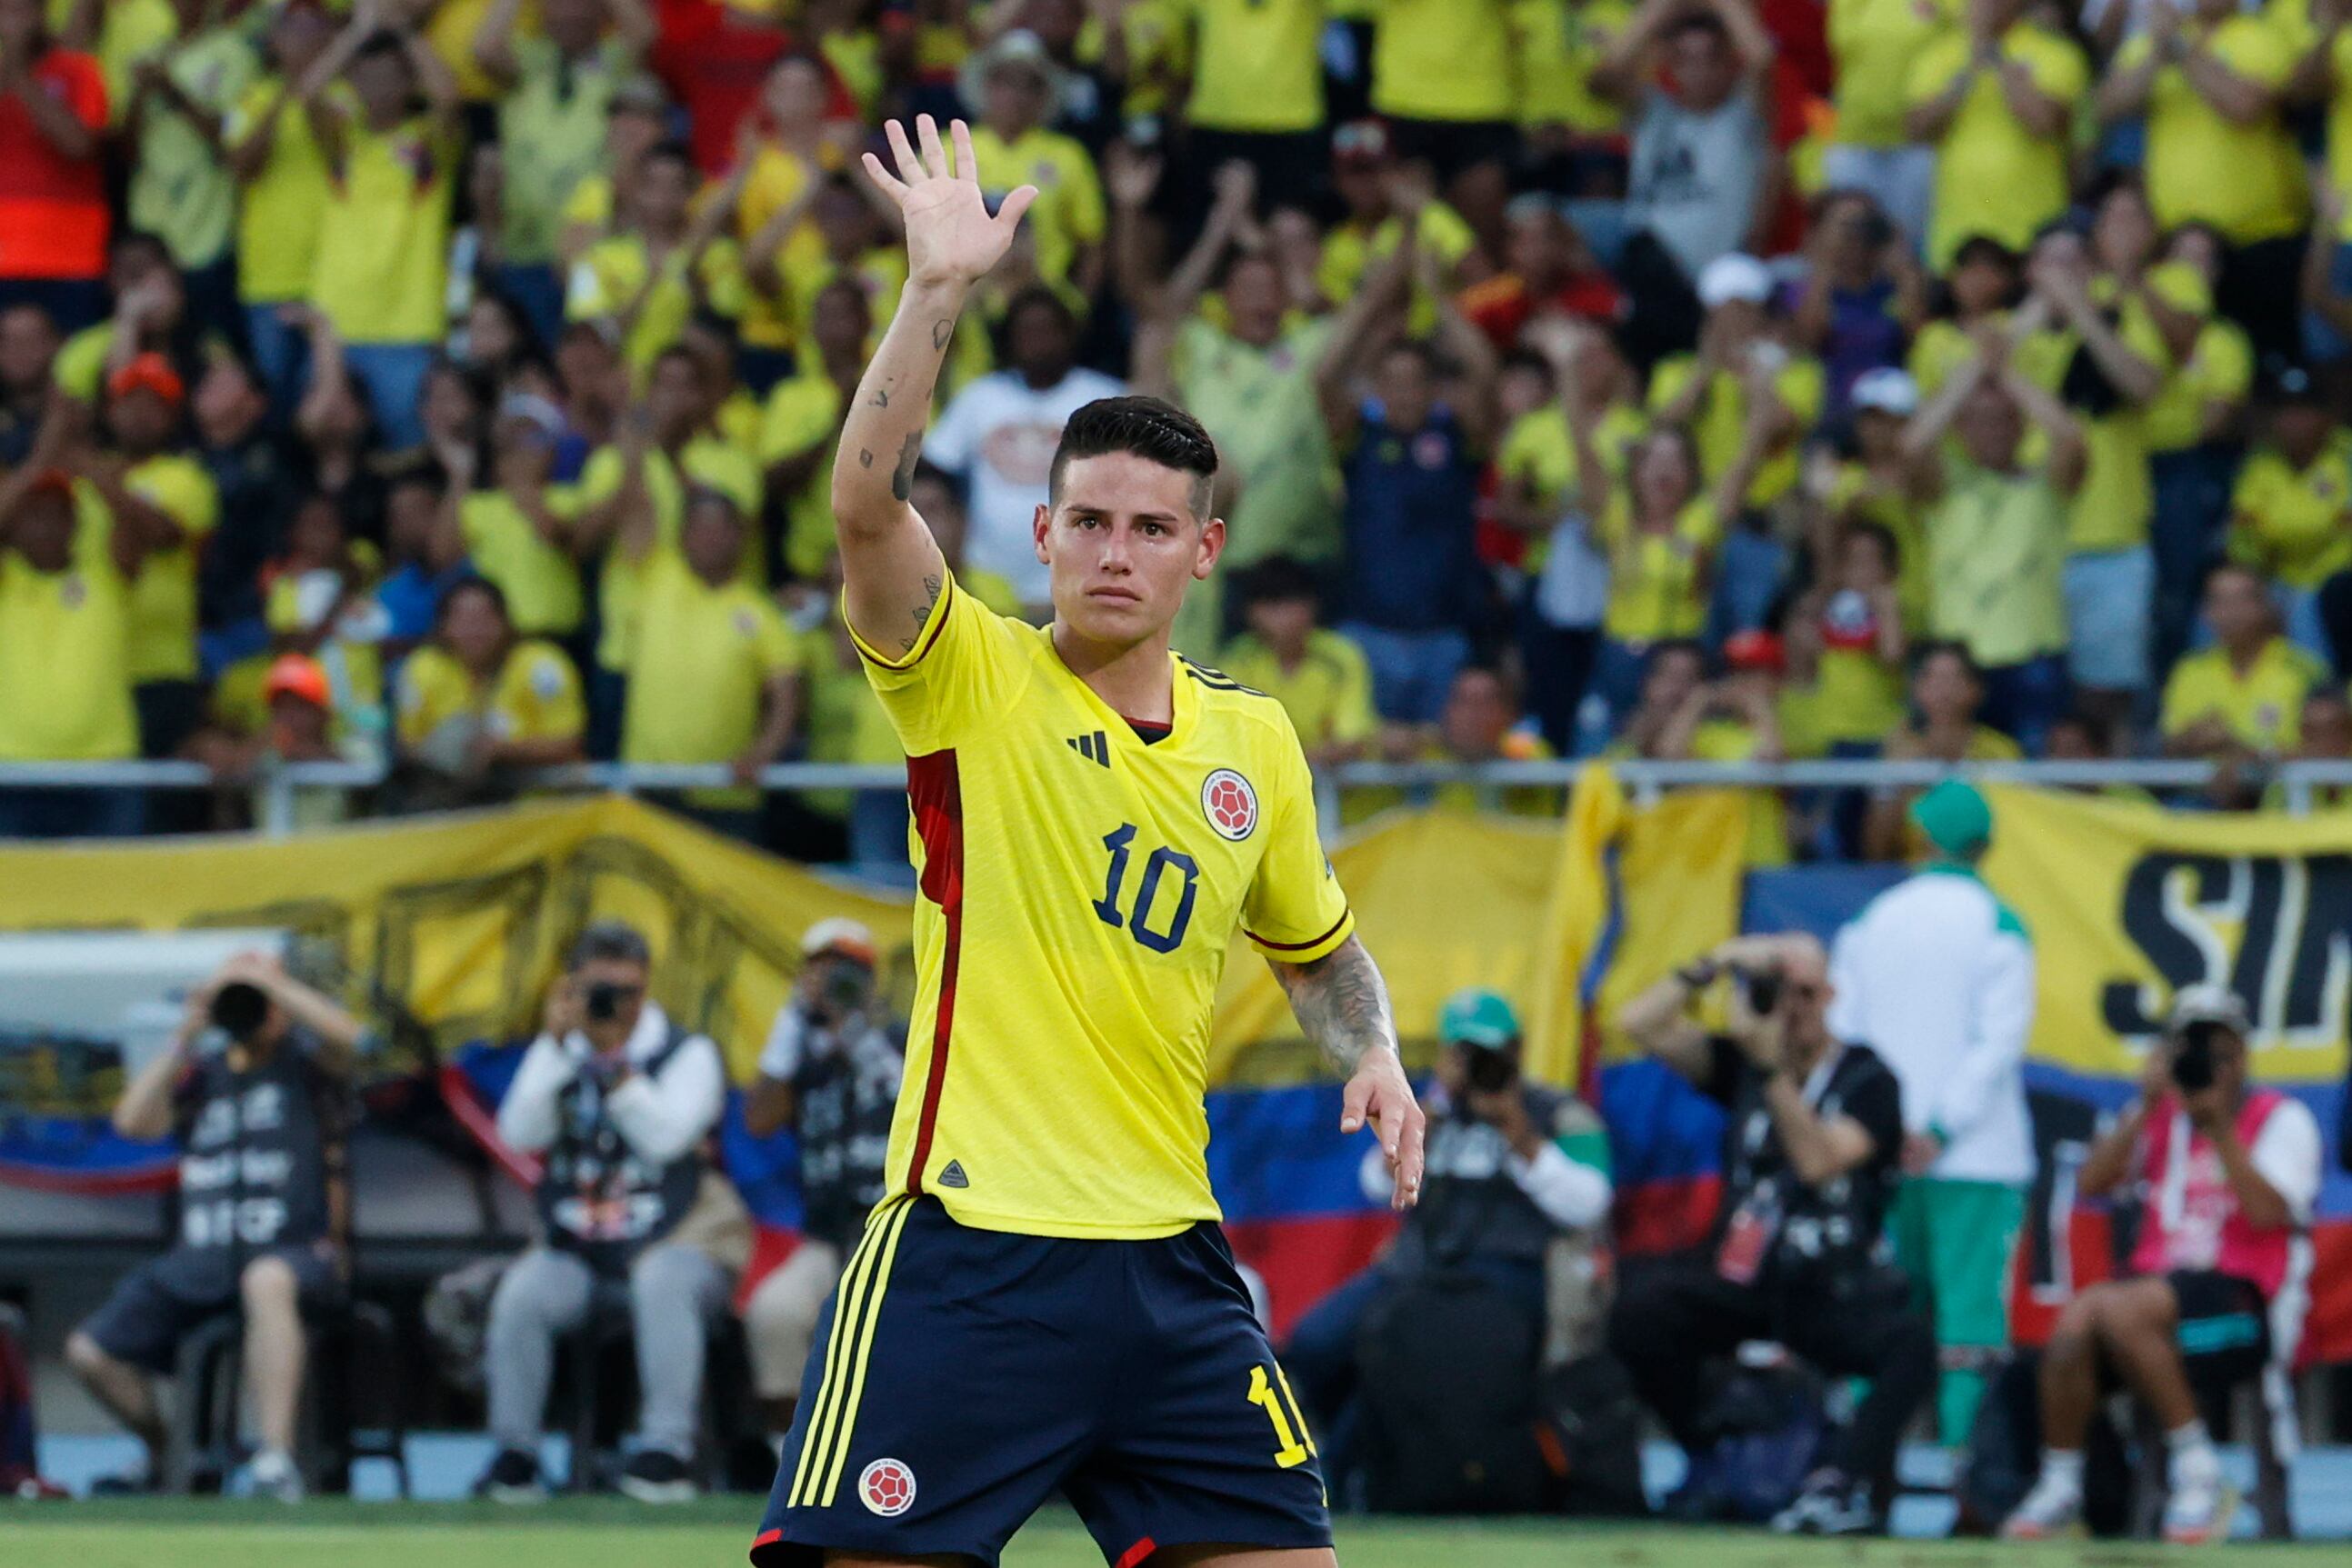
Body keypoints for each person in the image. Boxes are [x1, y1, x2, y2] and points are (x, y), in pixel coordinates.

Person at [751, 115, 1425, 1568]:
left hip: (1173, 1263)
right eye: (1090, 521)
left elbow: (1317, 952)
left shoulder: (1253, 743)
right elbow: (862, 506)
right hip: (968, 1253)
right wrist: (935, 294)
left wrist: (1368, 1049)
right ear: (1043, 533)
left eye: (1149, 527)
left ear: (1203, 551)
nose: (1116, 550)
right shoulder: (969, 675)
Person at [1613, 934, 1935, 1535]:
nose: (1793, 1006)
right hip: (1743, 1274)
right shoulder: (1739, 1064)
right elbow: (1638, 1022)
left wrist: (1770, 1069)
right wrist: (1717, 960)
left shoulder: (1868, 1077)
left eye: (1806, 991)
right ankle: (1704, 1451)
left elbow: (1816, 1160)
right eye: (1777, 991)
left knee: (1908, 1346)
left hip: (1828, 1282)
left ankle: (1840, 1482)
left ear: (1831, 993)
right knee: (1640, 1311)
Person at [2003, 987, 2323, 1544]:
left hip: (2243, 1309)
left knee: (2117, 1307)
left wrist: (2220, 1130)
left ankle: (2197, 1469)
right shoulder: (2160, 1117)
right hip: (2155, 1304)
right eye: (2193, 1049)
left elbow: (2273, 1213)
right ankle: (2062, 1483)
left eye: (2220, 1051)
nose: (2209, 1065)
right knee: (2073, 1326)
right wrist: (2146, 1106)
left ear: (2243, 1055)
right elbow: (2092, 1183)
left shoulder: (2281, 1118)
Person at [1283, 989, 1611, 1491]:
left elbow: (1588, 1202)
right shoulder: (1427, 1110)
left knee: (1404, 1347)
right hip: (1415, 1271)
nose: (1474, 1065)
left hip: (1501, 1278)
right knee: (1314, 1344)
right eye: (1462, 1053)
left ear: (1517, 1051)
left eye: (1487, 1053)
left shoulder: (1555, 1112)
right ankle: (1350, 1456)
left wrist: (1517, 1132)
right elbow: (1374, 1183)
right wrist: (1424, 1121)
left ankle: (1349, 1472)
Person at [65, 951, 365, 1501]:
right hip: (200, 1258)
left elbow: (353, 1038)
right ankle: (163, 1450)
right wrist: (191, 1028)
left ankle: (274, 1461)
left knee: (265, 1280)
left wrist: (271, 985)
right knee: (90, 1351)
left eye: (261, 1004)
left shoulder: (307, 1068)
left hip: (293, 1253)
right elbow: (133, 1121)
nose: (251, 1010)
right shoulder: (203, 1076)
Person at [476, 922, 732, 1504]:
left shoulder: (688, 1052)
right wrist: (554, 1044)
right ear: (572, 987)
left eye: (627, 990)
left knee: (661, 1280)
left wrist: (615, 1065)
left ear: (647, 990)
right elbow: (518, 1132)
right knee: (523, 1292)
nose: (612, 1004)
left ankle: (666, 1453)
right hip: (581, 1247)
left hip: (678, 1239)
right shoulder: (561, 1051)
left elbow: (667, 1138)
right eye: (598, 989)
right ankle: (515, 1456)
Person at [1828, 780, 2034, 1446]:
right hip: (1975, 1158)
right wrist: (1940, 1128)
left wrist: (1883, 1131)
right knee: (1969, 1321)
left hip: (1879, 1154)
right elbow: (1996, 1043)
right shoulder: (2000, 924)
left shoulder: (1869, 921)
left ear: (1921, 836)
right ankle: (1970, 1477)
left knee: (1878, 1318)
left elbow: (1842, 1032)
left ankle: (1865, 1471)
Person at [742, 919, 905, 1441]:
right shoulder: (799, 1057)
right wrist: (790, 1025)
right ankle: (787, 1463)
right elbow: (759, 1122)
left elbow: (903, 1093)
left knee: (892, 1335)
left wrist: (852, 1025)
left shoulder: (900, 1036)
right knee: (775, 1311)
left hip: (893, 1231)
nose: (833, 983)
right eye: (819, 970)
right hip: (825, 1235)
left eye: (846, 972)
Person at [1899, 339, 2081, 751]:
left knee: (2033, 787)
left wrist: (2008, 375)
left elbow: (2070, 439)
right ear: (1960, 430)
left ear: (2022, 425)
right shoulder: (1944, 491)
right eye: (1979, 421)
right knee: (1950, 785)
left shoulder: (2044, 488)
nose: (1992, 430)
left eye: (2003, 420)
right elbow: (1911, 446)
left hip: (2034, 659)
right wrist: (1974, 372)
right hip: (1956, 665)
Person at [301, 10, 462, 450]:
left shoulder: (425, 149)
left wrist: (403, 28)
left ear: (409, 84)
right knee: (325, 450)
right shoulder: (342, 149)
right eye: (367, 78)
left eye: (391, 77)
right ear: (351, 84)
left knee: (407, 452)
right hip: (336, 327)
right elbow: (309, 94)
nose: (379, 88)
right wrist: (359, 30)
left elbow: (448, 98)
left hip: (407, 328)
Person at [1592, 0, 1778, 367]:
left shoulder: (1742, 119)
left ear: (1729, 63)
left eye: (1711, 58)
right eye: (1686, 59)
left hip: (1712, 283)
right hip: (1650, 274)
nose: (1699, 70)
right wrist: (1661, 10)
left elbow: (1762, 60)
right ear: (1669, 64)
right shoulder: (1653, 110)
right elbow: (1604, 77)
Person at [617, 485, 804, 842]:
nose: (710, 538)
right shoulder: (654, 576)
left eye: (720, 528)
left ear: (741, 537)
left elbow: (787, 696)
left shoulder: (761, 612)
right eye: (700, 528)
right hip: (650, 789)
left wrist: (763, 751)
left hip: (726, 796)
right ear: (682, 536)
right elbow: (636, 505)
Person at [923, 284, 1122, 610]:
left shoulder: (1106, 399)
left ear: (1069, 335)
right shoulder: (980, 397)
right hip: (984, 588)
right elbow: (934, 471)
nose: (1036, 340)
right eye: (1026, 330)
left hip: (1079, 587)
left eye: (1046, 329)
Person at [1904, 0, 2087, 271]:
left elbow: (2045, 123)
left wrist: (1996, 55)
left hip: (2031, 227)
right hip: (1957, 231)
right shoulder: (1938, 54)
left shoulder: (2055, 52)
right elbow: (1915, 130)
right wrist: (1967, 69)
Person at [393, 575, 585, 806]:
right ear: (444, 626)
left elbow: (569, 743)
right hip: (453, 804)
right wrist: (453, 750)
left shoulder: (541, 665)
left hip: (537, 806)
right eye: (463, 620)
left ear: (505, 622)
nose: (475, 630)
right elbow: (408, 744)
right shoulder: (423, 667)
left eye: (484, 618)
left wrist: (501, 750)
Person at [0, 0, 110, 334]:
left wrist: (21, 73)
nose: (14, 19)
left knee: (72, 373)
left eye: (24, 8)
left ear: (44, 12)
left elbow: (78, 144)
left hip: (72, 257)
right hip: (5, 259)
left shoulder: (78, 69)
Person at [1216, 558, 1380, 772]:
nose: (1282, 617)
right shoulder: (1239, 659)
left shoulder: (1341, 657)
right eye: (1271, 605)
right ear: (1251, 612)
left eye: (1290, 603)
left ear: (1311, 606)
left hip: (1338, 794)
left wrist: (1283, 761)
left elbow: (1351, 742)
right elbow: (1230, 739)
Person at [2161, 562, 2325, 764]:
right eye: (2218, 602)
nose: (2230, 612)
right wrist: (2190, 738)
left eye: (2240, 600)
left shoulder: (2303, 669)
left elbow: (2323, 749)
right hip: (2199, 792)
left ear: (2265, 607)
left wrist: (2238, 751)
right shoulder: (2189, 669)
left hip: (2281, 791)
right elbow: (2167, 747)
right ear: (2205, 612)